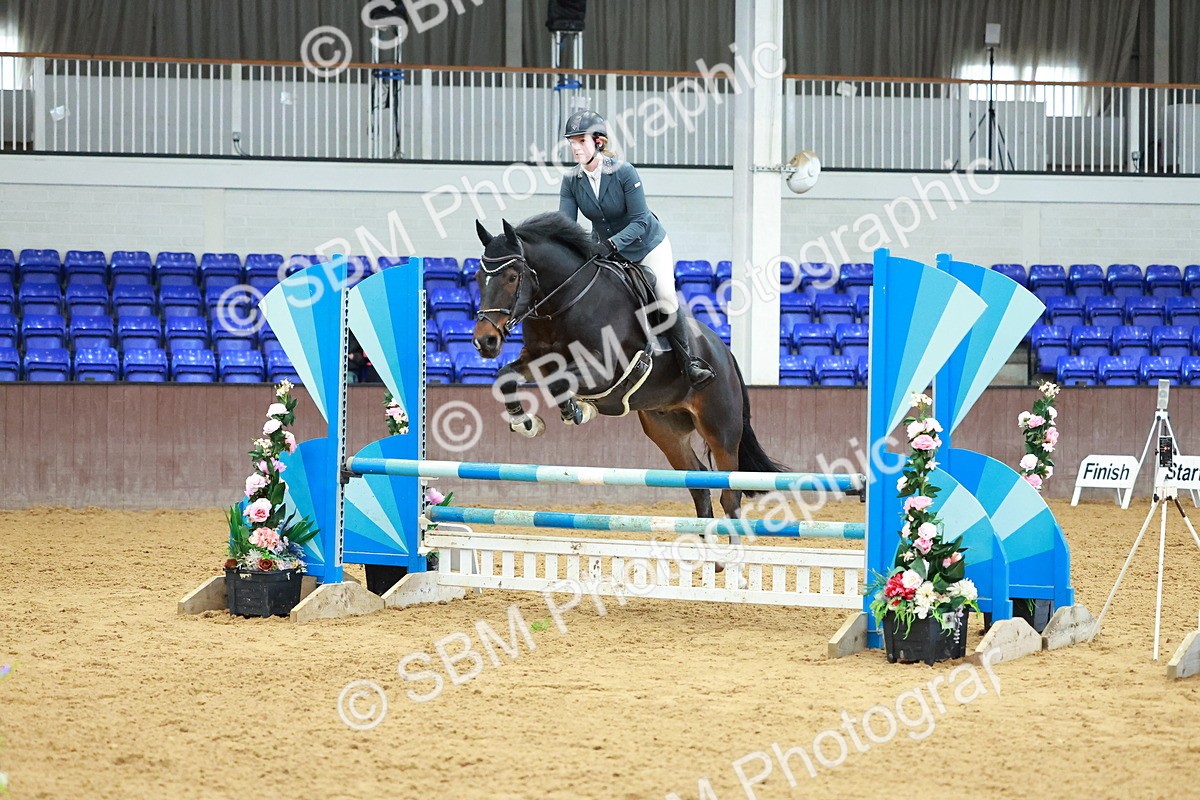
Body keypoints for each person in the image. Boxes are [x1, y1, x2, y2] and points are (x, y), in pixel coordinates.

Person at [557, 110, 714, 389]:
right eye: (572, 141)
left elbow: (640, 221)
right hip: (607, 250)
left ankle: (689, 362)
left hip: (646, 244)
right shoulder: (571, 181)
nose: (575, 147)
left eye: (581, 140)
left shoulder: (624, 172)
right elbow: (565, 226)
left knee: (665, 296)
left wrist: (610, 245)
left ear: (599, 143)